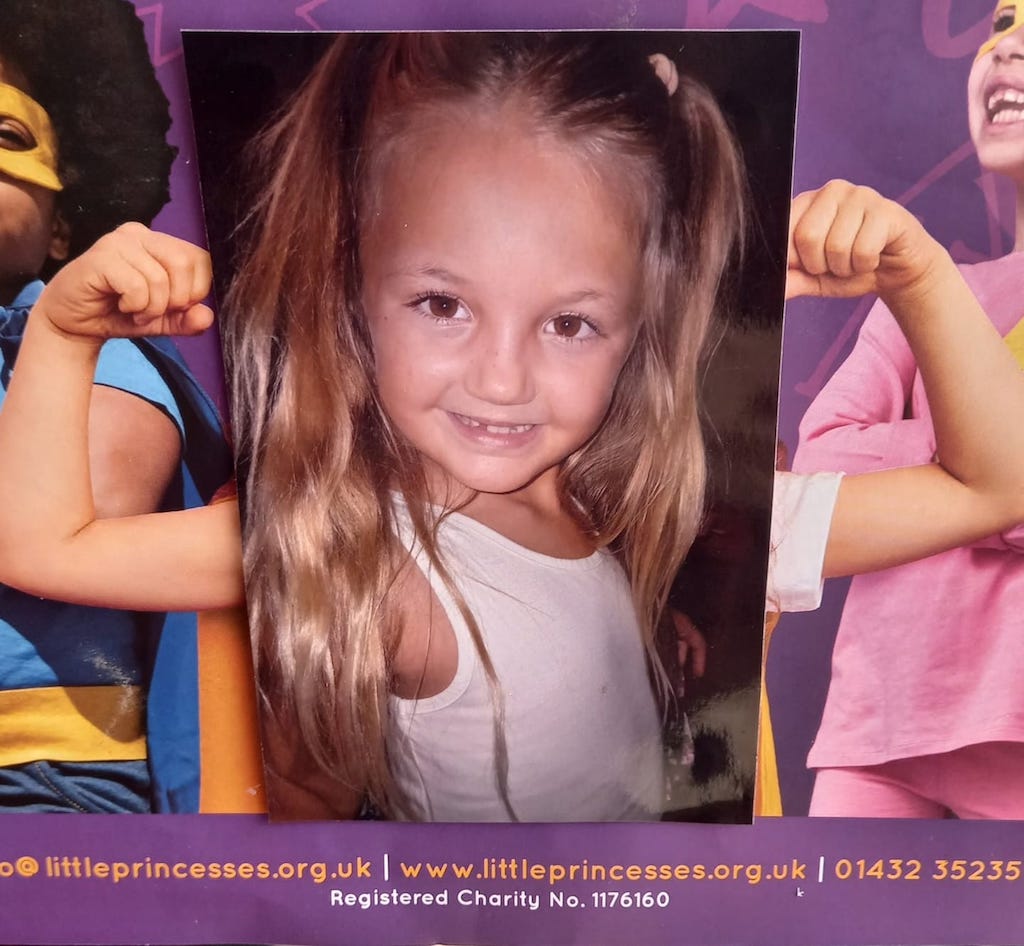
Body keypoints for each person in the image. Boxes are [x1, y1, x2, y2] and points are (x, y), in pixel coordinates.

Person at [1, 35, 1022, 822]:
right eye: (441, 303)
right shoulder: (353, 540)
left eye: (570, 323)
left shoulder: (669, 514)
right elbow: (45, 547)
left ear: (640, 330)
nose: (501, 379)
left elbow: (994, 486)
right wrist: (62, 328)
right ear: (351, 295)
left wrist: (919, 274)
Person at [788, 4, 1024, 820]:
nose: (1007, 50)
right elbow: (819, 468)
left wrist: (937, 479)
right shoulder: (930, 294)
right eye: (1002, 24)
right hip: (878, 732)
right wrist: (988, 467)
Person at [0, 0, 231, 813]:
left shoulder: (88, 340)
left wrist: (63, 335)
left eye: (6, 136)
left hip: (39, 778)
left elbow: (79, 523)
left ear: (63, 226)